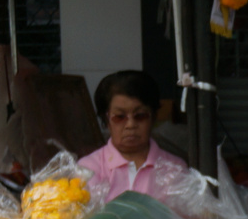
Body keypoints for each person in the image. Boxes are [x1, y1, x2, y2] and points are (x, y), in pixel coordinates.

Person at [77, 70, 187, 202]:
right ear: (106, 121)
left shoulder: (175, 169)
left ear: (154, 117)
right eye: (120, 117)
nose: (130, 125)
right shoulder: (87, 169)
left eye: (140, 115)